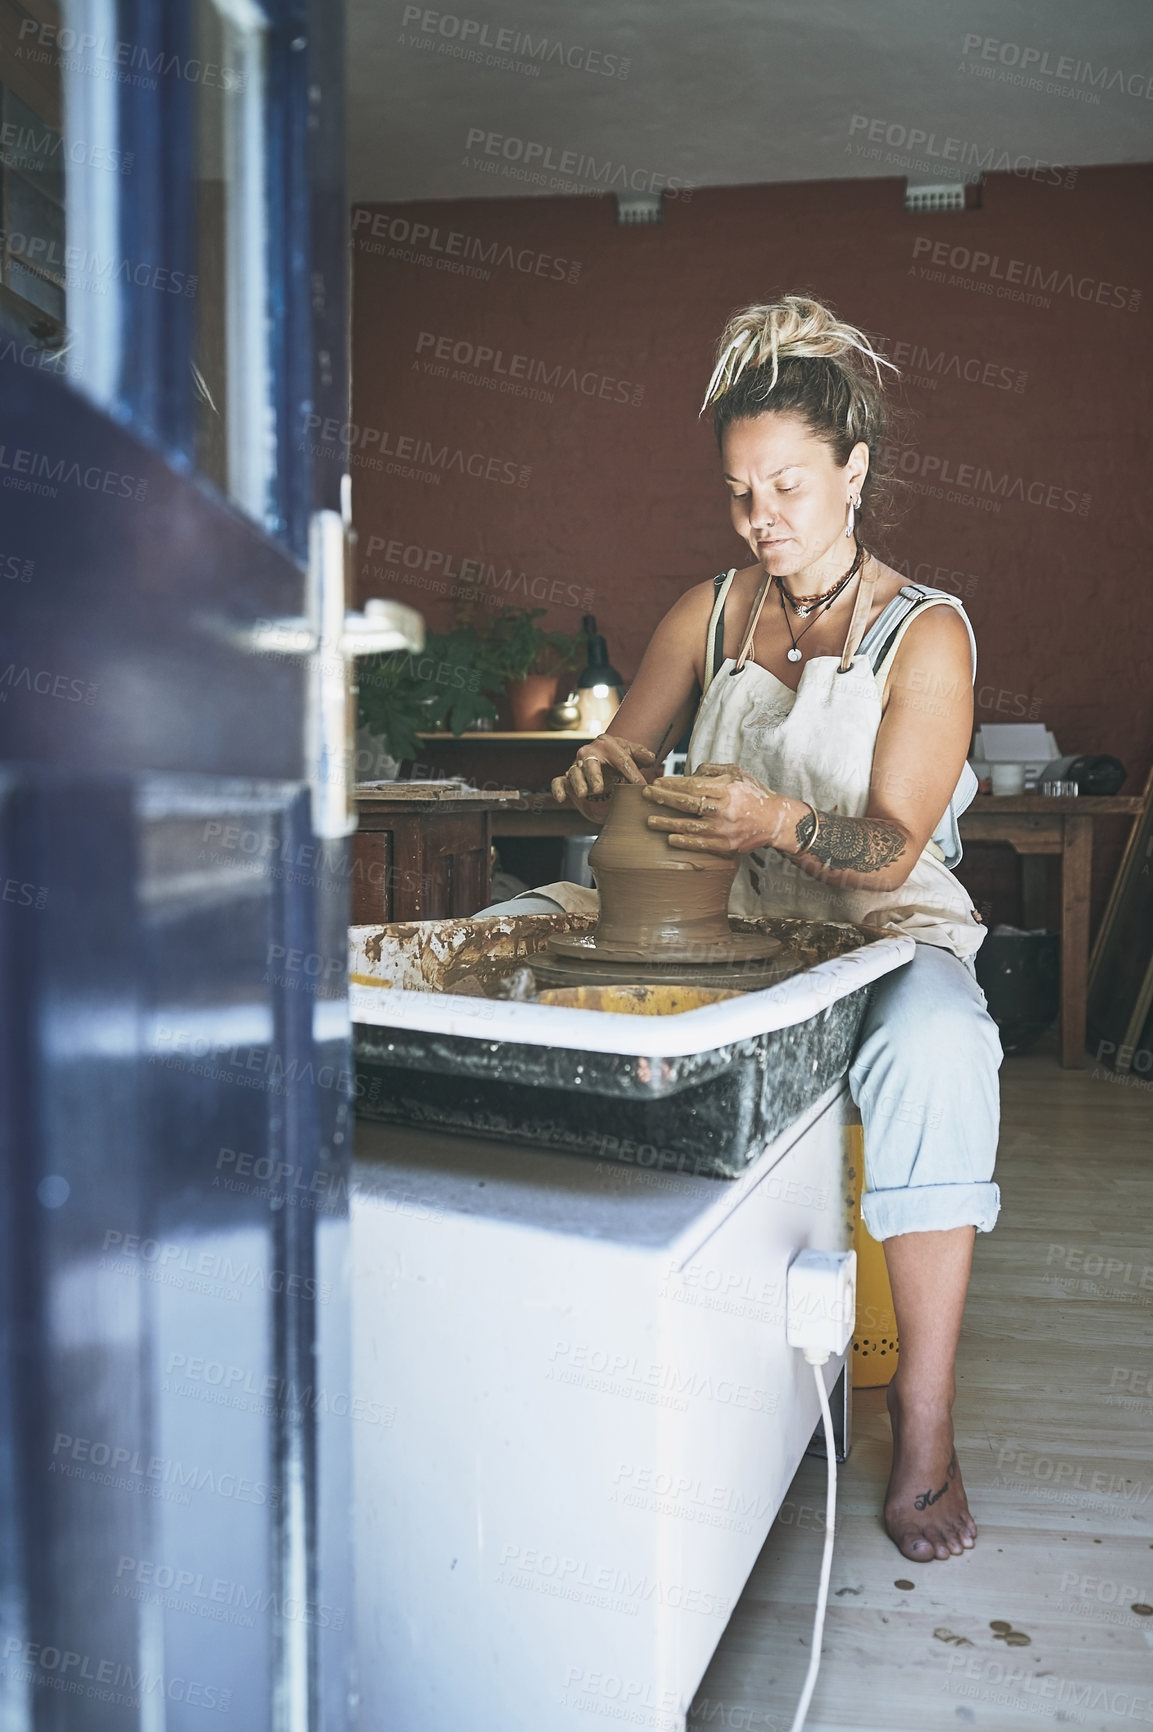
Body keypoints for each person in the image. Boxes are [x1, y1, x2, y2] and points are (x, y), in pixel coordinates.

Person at [481, 295, 1002, 1564]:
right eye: (738, 493)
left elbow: (886, 844)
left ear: (854, 471)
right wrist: (597, 767)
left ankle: (920, 1422)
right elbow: (626, 746)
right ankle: (531, 1324)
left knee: (938, 1050)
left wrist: (774, 821)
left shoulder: (923, 630)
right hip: (711, 920)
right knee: (492, 947)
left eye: (785, 486)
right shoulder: (708, 613)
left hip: (873, 930)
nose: (760, 516)